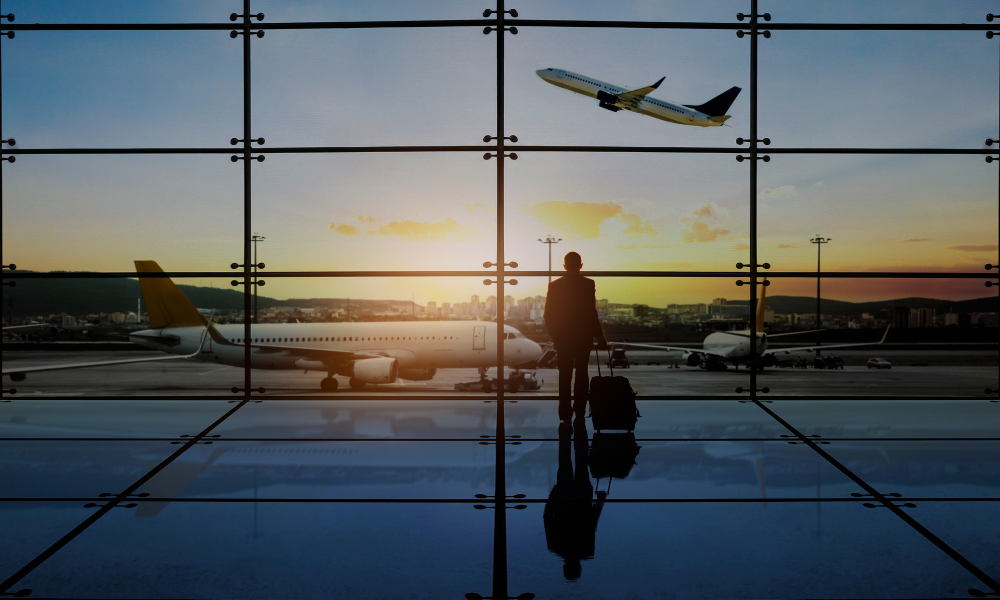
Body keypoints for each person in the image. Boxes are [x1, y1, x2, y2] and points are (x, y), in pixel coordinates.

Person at [544, 251, 608, 423]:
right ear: (581, 265)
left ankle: (564, 413)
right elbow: (591, 313)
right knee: (582, 373)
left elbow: (548, 315)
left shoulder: (555, 286)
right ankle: (580, 410)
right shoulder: (588, 284)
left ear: (564, 266)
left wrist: (556, 335)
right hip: (582, 337)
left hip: (563, 339)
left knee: (564, 375)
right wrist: (600, 337)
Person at [544, 419, 606, 580]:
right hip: (564, 494)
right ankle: (567, 427)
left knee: (581, 458)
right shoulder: (554, 547)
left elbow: (592, 522)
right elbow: (547, 517)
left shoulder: (586, 550)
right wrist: (554, 493)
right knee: (565, 456)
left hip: (581, 494)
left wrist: (599, 502)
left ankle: (579, 427)